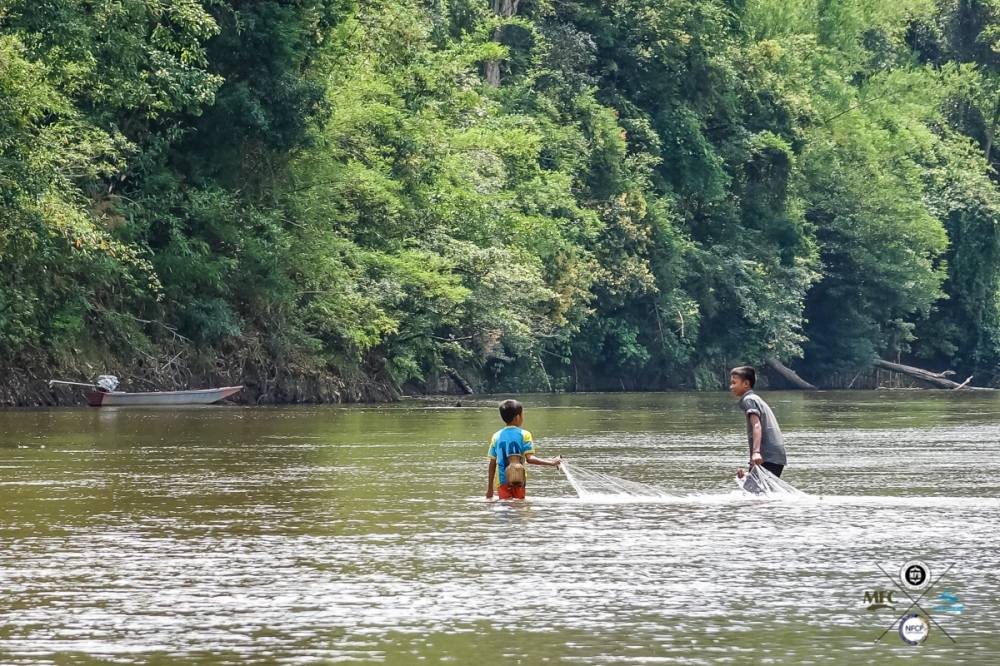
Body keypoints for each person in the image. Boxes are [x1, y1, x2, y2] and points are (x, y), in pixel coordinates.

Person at [486, 399, 561, 500]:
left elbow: (492, 464)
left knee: (505, 509)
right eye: (522, 415)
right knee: (519, 507)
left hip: (502, 481)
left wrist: (490, 488)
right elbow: (530, 459)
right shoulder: (524, 434)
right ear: (517, 417)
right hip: (519, 480)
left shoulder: (496, 436)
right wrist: (551, 462)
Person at [729, 366, 787, 480]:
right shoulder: (754, 398)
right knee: (758, 492)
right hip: (773, 455)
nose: (731, 387)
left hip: (768, 455)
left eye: (734, 383)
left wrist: (756, 452)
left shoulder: (749, 400)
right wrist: (747, 475)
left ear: (746, 384)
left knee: (758, 494)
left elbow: (757, 425)